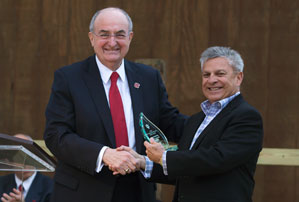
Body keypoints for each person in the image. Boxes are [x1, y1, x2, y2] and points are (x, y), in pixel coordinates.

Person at [43, 7, 186, 202]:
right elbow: (56, 135)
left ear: (130, 37)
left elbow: (170, 122)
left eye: (120, 34)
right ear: (92, 38)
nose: (112, 42)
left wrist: (213, 124)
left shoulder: (148, 77)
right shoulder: (69, 78)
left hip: (137, 189)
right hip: (84, 191)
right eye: (104, 35)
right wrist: (104, 154)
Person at [122, 46, 263, 202]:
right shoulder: (196, 120)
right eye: (206, 74)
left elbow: (216, 159)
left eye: (220, 74)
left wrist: (164, 157)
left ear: (239, 77)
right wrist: (142, 162)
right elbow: (184, 169)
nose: (212, 80)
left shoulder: (247, 116)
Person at [0, 134, 53, 202]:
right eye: (19, 159)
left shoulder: (50, 186)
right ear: (10, 162)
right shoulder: (1, 183)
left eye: (29, 158)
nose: (25, 164)